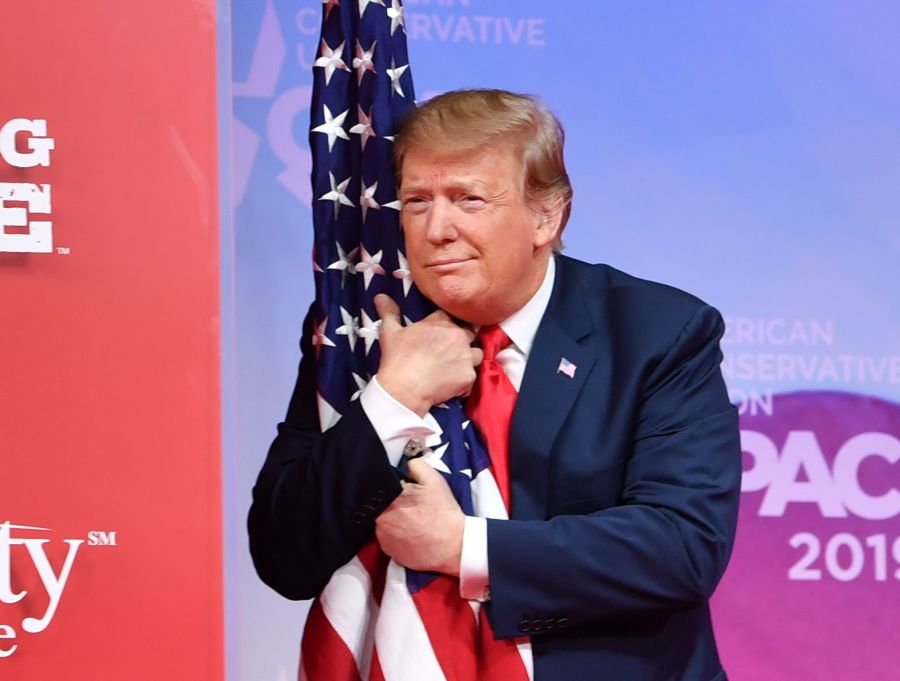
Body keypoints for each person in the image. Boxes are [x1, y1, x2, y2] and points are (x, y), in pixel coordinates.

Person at [249, 89, 742, 681]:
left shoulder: (655, 332)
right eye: (416, 201)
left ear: (546, 216)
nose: (436, 229)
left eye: (468, 200)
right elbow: (284, 558)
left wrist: (462, 545)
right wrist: (392, 397)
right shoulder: (358, 334)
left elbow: (682, 547)